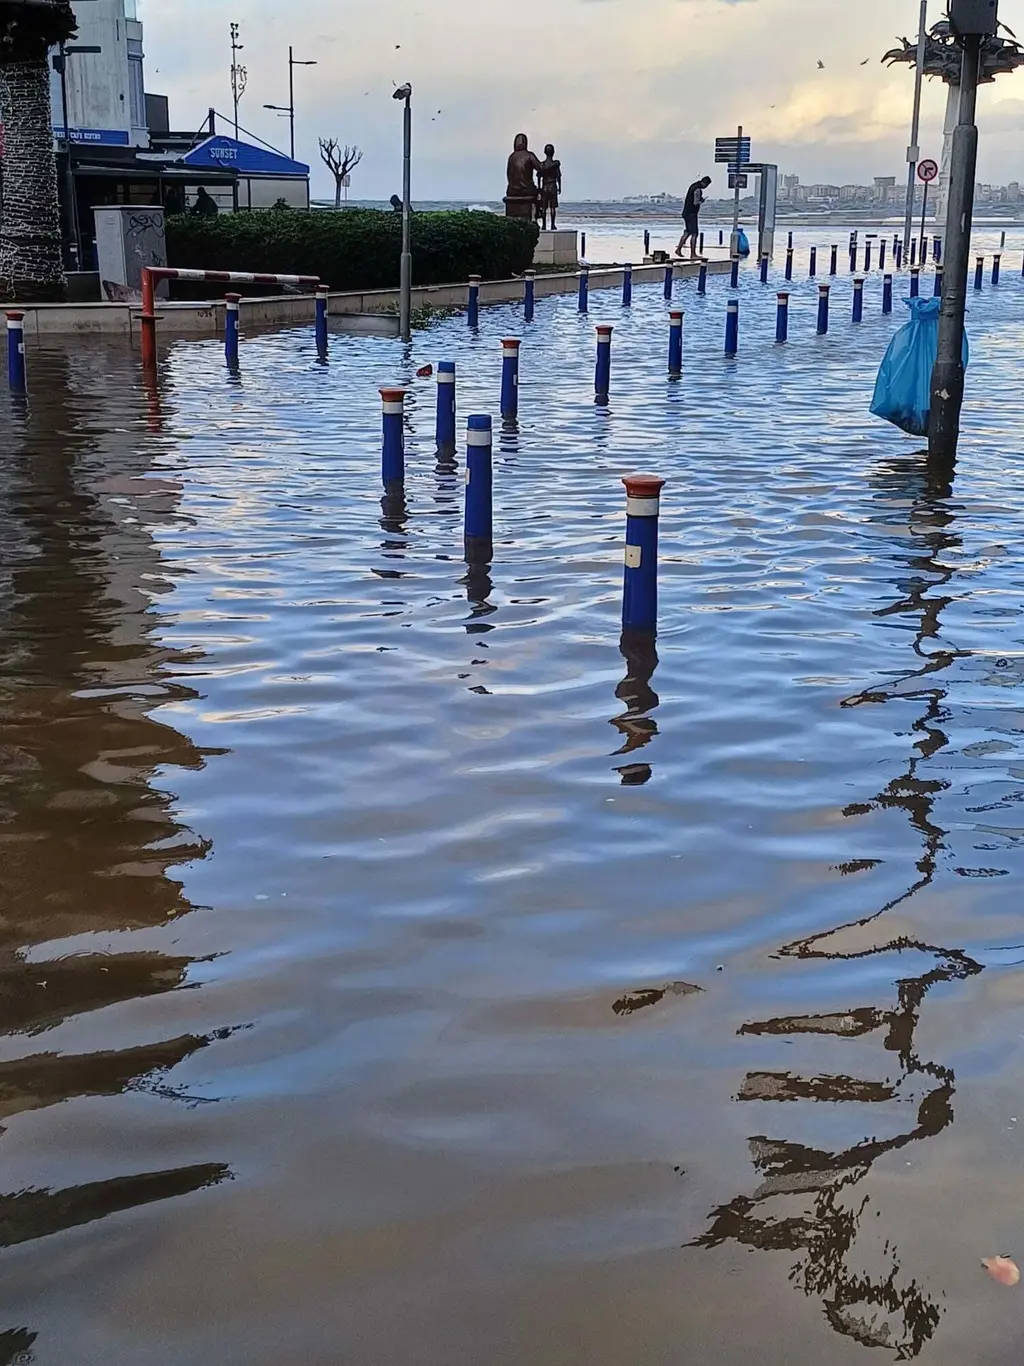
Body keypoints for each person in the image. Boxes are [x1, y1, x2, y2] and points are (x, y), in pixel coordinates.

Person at [676, 175, 711, 260]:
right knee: (695, 234)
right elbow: (695, 203)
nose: (706, 187)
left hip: (686, 213)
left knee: (687, 232)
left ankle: (678, 249)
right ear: (704, 183)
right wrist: (701, 201)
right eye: (707, 185)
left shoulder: (693, 185)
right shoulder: (698, 189)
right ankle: (693, 254)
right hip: (692, 214)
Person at [538, 144, 562, 230]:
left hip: (545, 186)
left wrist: (539, 188)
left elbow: (539, 176)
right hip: (553, 186)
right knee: (553, 207)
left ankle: (544, 225)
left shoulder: (542, 165)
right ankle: (552, 225)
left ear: (545, 152)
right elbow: (558, 176)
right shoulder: (555, 164)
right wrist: (560, 187)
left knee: (544, 207)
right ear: (553, 152)